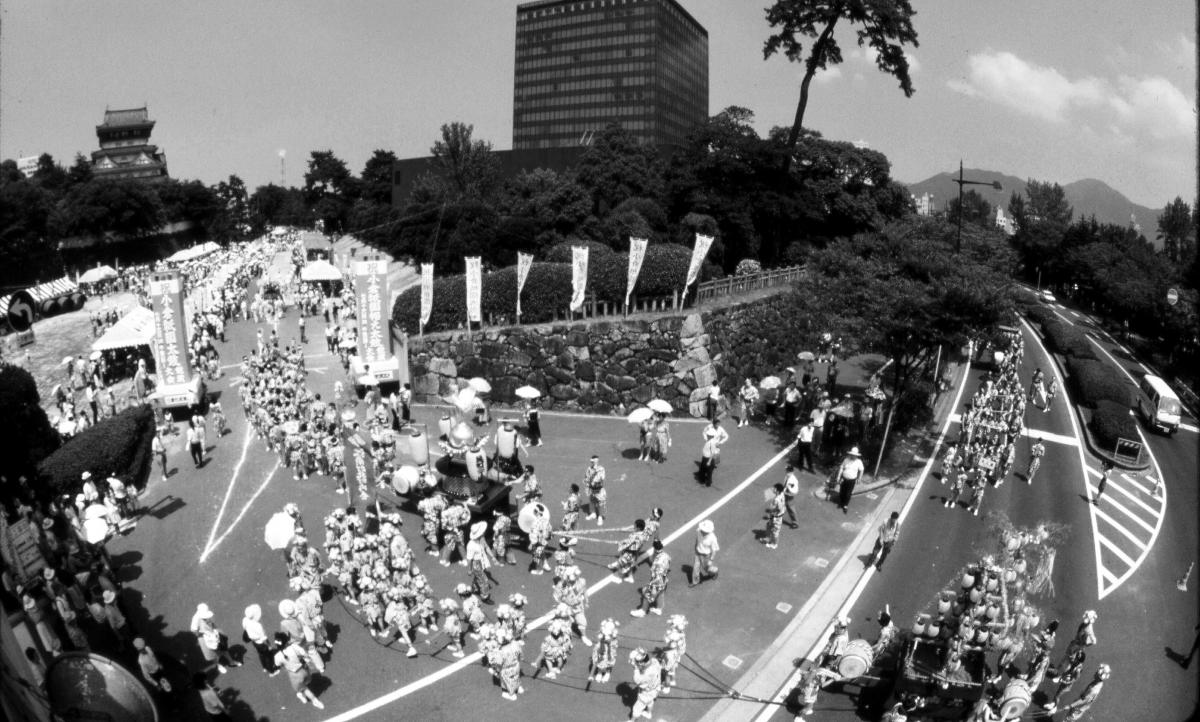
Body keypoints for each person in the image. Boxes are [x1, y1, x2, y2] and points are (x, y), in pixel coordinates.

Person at [273, 632, 325, 709]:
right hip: (303, 668)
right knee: (307, 680)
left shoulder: (277, 656)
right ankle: (302, 693)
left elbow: (277, 665)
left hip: (294, 674)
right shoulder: (294, 647)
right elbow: (304, 653)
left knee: (303, 689)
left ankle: (314, 700)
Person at [190, 603, 239, 674]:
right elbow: (194, 631)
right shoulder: (195, 619)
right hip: (205, 638)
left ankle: (231, 661)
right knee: (213, 654)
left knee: (223, 647)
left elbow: (212, 624)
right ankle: (218, 665)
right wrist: (204, 633)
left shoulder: (207, 616)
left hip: (213, 632)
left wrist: (216, 631)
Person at [630, 541, 670, 617]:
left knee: (646, 594)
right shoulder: (666, 555)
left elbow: (657, 575)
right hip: (664, 579)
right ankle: (659, 608)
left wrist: (653, 587)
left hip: (657, 581)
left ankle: (643, 611)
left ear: (654, 549)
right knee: (661, 593)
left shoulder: (657, 562)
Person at [241, 604, 279, 676]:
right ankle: (271, 671)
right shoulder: (257, 625)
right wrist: (269, 645)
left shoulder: (245, 620)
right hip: (261, 643)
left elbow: (244, 628)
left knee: (261, 655)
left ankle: (264, 667)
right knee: (268, 657)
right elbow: (263, 637)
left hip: (254, 642)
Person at [628, 647, 663, 720]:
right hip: (655, 689)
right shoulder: (654, 661)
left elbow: (636, 679)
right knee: (650, 702)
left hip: (646, 694)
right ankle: (648, 713)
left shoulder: (645, 675)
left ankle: (632, 720)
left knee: (637, 708)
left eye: (636, 662)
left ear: (641, 662)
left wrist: (636, 668)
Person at [698, 419, 729, 487]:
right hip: (710, 444)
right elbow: (704, 432)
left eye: (718, 424)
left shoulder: (721, 429)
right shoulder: (709, 427)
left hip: (716, 445)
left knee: (714, 459)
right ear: (713, 424)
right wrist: (706, 438)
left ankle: (710, 467)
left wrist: (720, 442)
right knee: (709, 457)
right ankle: (709, 468)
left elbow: (726, 436)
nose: (717, 425)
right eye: (716, 424)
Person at [690, 519, 719, 586]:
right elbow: (697, 539)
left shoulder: (712, 538)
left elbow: (714, 550)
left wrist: (711, 559)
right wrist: (695, 546)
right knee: (695, 567)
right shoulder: (698, 531)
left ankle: (715, 571)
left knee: (707, 568)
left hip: (706, 555)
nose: (702, 531)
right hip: (698, 552)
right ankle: (695, 581)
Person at [589, 618, 619, 683]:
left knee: (609, 662)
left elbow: (613, 643)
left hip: (609, 651)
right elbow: (599, 638)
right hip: (601, 649)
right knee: (599, 661)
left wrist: (609, 640)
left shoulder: (613, 636)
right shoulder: (602, 632)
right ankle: (599, 672)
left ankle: (607, 673)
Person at [836, 447, 864, 514]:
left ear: (856, 455)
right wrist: (838, 476)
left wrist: (859, 478)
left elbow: (861, 470)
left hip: (852, 480)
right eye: (852, 454)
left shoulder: (859, 462)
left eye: (854, 455)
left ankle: (845, 505)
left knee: (848, 493)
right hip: (844, 478)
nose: (853, 456)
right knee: (842, 491)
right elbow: (841, 467)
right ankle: (842, 502)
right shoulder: (846, 460)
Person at [583, 455, 608, 526]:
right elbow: (586, 478)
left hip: (599, 490)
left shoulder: (601, 469)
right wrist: (587, 485)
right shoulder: (589, 469)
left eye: (592, 461)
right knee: (591, 501)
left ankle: (600, 517)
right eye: (591, 461)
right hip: (591, 489)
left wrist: (596, 479)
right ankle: (593, 513)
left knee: (600, 503)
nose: (591, 462)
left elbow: (602, 478)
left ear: (596, 461)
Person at [762, 483, 787, 549]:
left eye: (775, 489)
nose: (773, 489)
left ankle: (774, 544)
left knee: (775, 531)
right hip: (777, 516)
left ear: (778, 491)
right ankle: (768, 538)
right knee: (769, 526)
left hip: (776, 517)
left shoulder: (776, 500)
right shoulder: (782, 494)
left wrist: (770, 512)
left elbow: (774, 508)